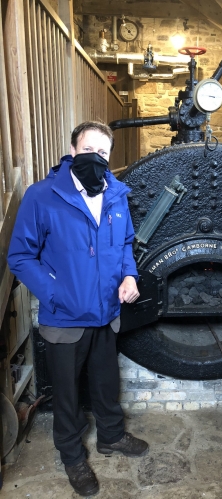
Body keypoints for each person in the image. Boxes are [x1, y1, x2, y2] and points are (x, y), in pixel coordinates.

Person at [7, 121, 148, 497]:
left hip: (106, 311)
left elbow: (125, 246)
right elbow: (20, 256)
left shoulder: (116, 196)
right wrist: (55, 294)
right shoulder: (43, 196)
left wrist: (130, 277)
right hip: (65, 316)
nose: (96, 157)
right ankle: (72, 456)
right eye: (88, 150)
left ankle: (112, 436)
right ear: (72, 151)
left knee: (105, 384)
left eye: (103, 152)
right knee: (67, 394)